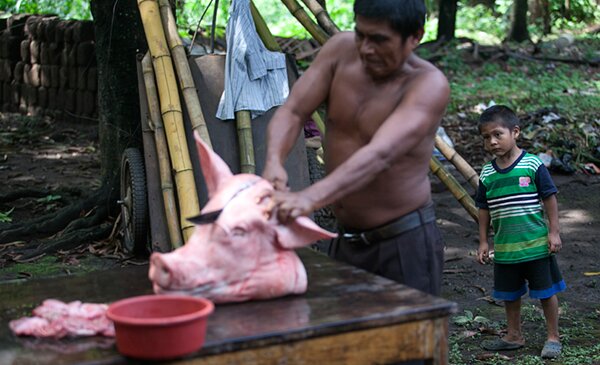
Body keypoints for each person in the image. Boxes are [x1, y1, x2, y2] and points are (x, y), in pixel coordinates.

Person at [262, 0, 449, 297]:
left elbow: (380, 154)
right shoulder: (339, 51)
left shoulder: (428, 85)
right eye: (361, 34)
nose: (365, 49)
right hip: (345, 238)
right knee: (343, 339)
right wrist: (273, 161)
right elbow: (294, 111)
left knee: (403, 343)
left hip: (403, 242)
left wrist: (310, 198)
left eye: (379, 40)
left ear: (415, 37)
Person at [475, 105, 566, 359]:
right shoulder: (487, 174)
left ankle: (553, 337)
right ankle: (514, 335)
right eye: (486, 137)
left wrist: (554, 232)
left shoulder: (532, 164)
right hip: (505, 248)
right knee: (510, 294)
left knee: (546, 292)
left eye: (497, 134)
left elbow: (550, 198)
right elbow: (482, 208)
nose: (492, 142)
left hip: (536, 245)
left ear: (515, 132)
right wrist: (483, 241)